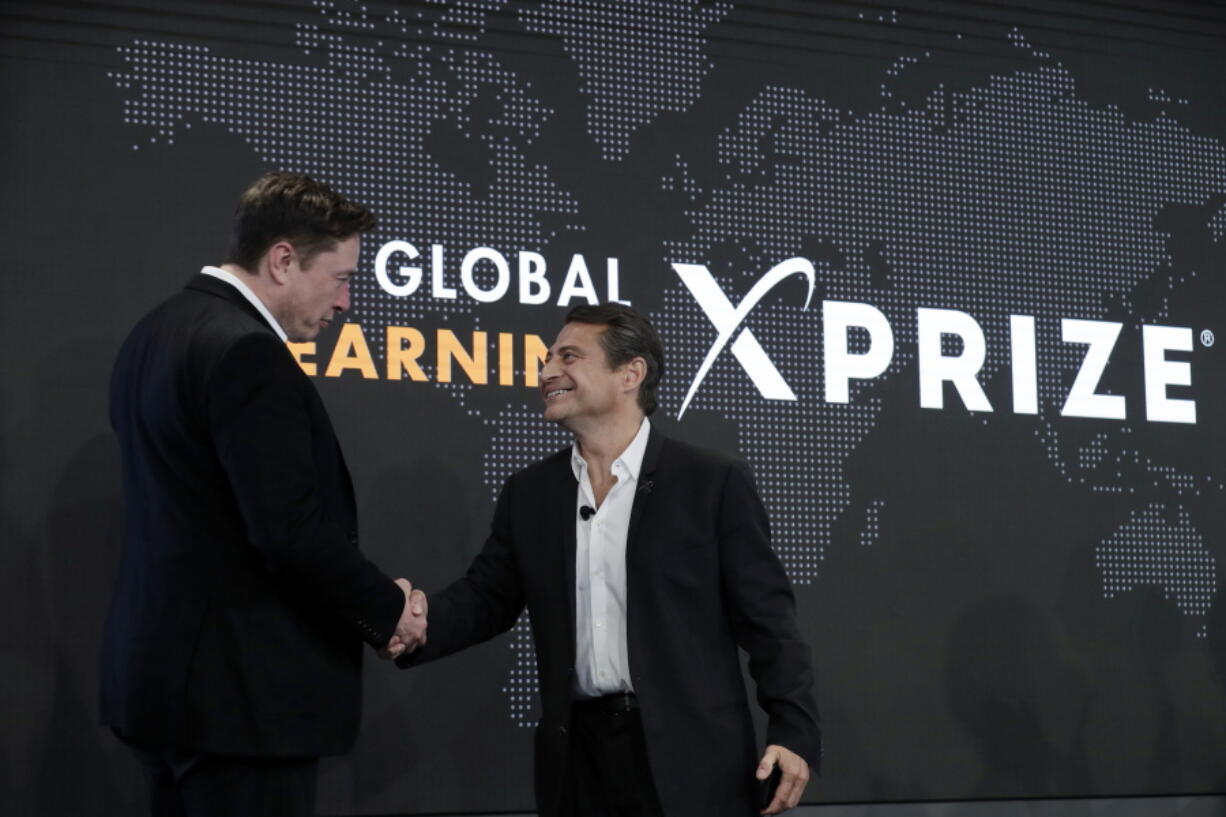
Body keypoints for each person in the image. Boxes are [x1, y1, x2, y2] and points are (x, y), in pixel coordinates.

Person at [400, 303, 821, 816]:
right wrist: (415, 620)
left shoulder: (711, 484)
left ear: (630, 373)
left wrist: (793, 729)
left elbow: (769, 621)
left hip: (691, 761)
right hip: (578, 760)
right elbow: (487, 598)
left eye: (569, 356)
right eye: (547, 358)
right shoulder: (530, 493)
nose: (547, 371)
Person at [101, 171, 426, 817]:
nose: (345, 301)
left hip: (160, 689)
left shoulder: (155, 333)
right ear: (282, 259)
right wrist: (386, 609)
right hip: (239, 704)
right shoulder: (249, 353)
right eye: (340, 277)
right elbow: (289, 531)